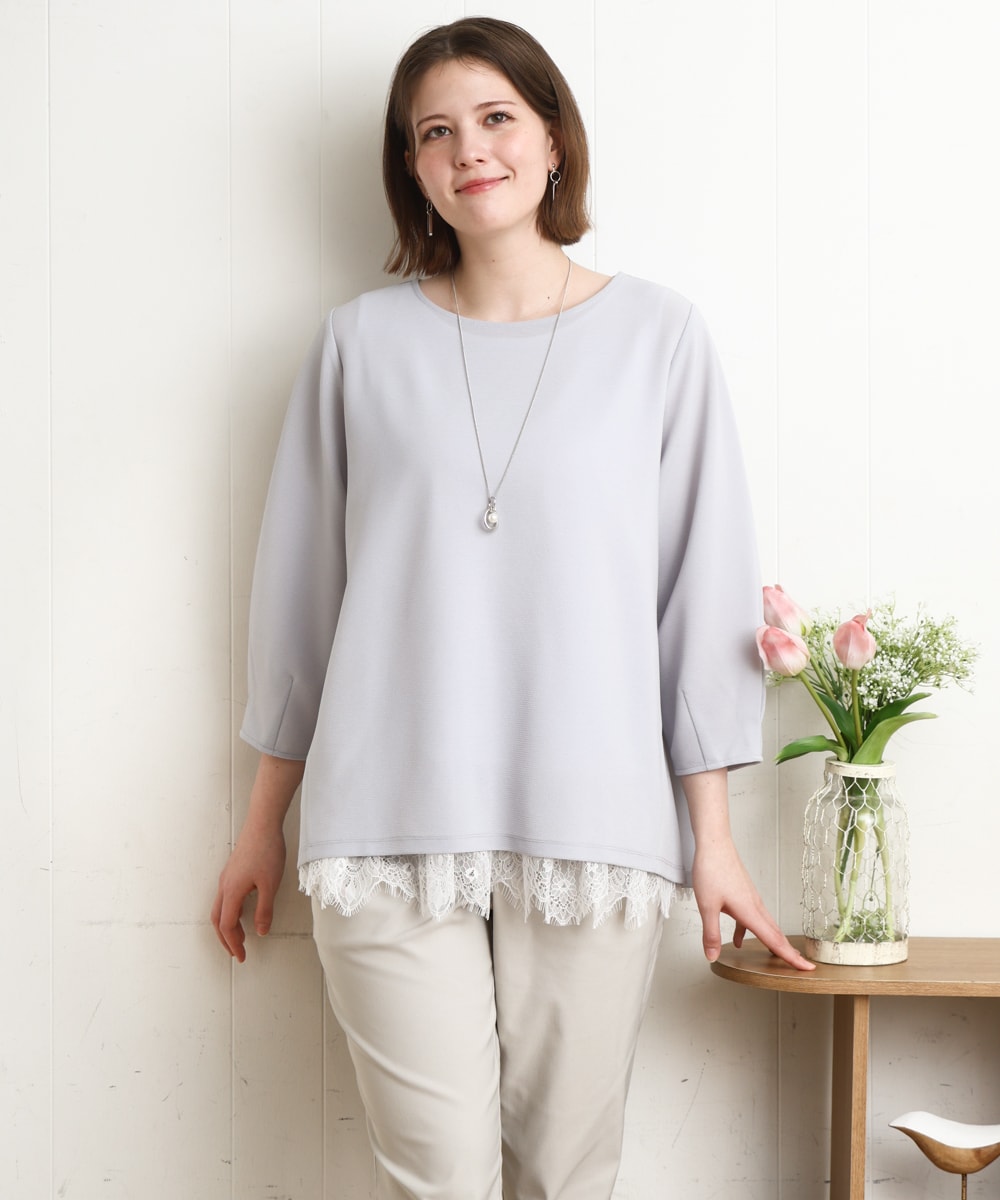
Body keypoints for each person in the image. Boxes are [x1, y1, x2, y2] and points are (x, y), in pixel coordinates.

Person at [212, 16, 813, 1199]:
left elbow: (697, 599)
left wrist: (715, 840)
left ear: (552, 139)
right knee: (438, 1179)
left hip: (593, 822)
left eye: (495, 119)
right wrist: (259, 824)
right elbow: (299, 605)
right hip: (384, 824)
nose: (468, 151)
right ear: (411, 168)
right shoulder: (357, 346)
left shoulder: (658, 337)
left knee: (566, 1177)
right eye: (433, 133)